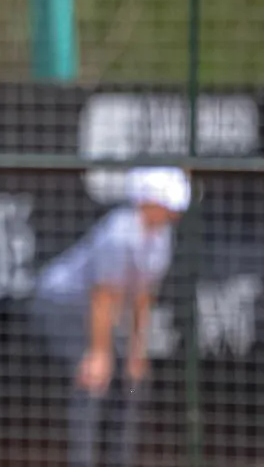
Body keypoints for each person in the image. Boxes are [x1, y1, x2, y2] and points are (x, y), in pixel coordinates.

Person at [29, 166, 191, 467]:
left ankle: (120, 459)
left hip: (100, 311)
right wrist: (98, 353)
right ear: (147, 201)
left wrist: (136, 351)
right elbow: (102, 296)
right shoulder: (118, 233)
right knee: (92, 376)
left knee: (133, 378)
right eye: (166, 204)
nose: (173, 212)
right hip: (61, 305)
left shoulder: (162, 238)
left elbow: (142, 296)